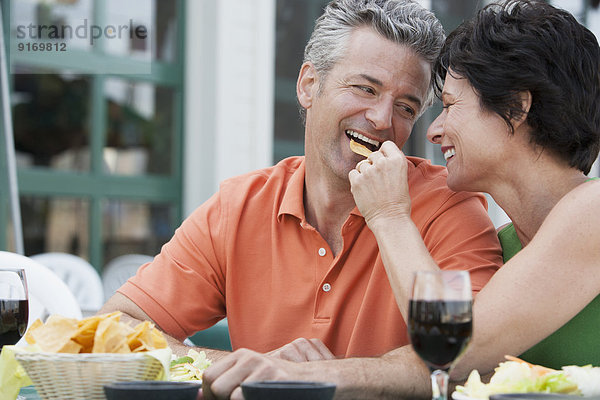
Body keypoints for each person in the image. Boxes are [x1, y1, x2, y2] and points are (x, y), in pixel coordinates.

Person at [99, 0, 504, 398]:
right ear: (309, 85)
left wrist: (390, 216)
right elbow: (116, 325)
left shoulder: (450, 206)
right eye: (366, 88)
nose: (382, 119)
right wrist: (245, 369)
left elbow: (469, 359)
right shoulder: (239, 206)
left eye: (404, 106)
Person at [348, 0, 600, 389]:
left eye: (449, 106)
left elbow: (456, 351)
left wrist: (389, 215)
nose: (433, 131)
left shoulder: (594, 211)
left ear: (516, 108)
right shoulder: (502, 247)